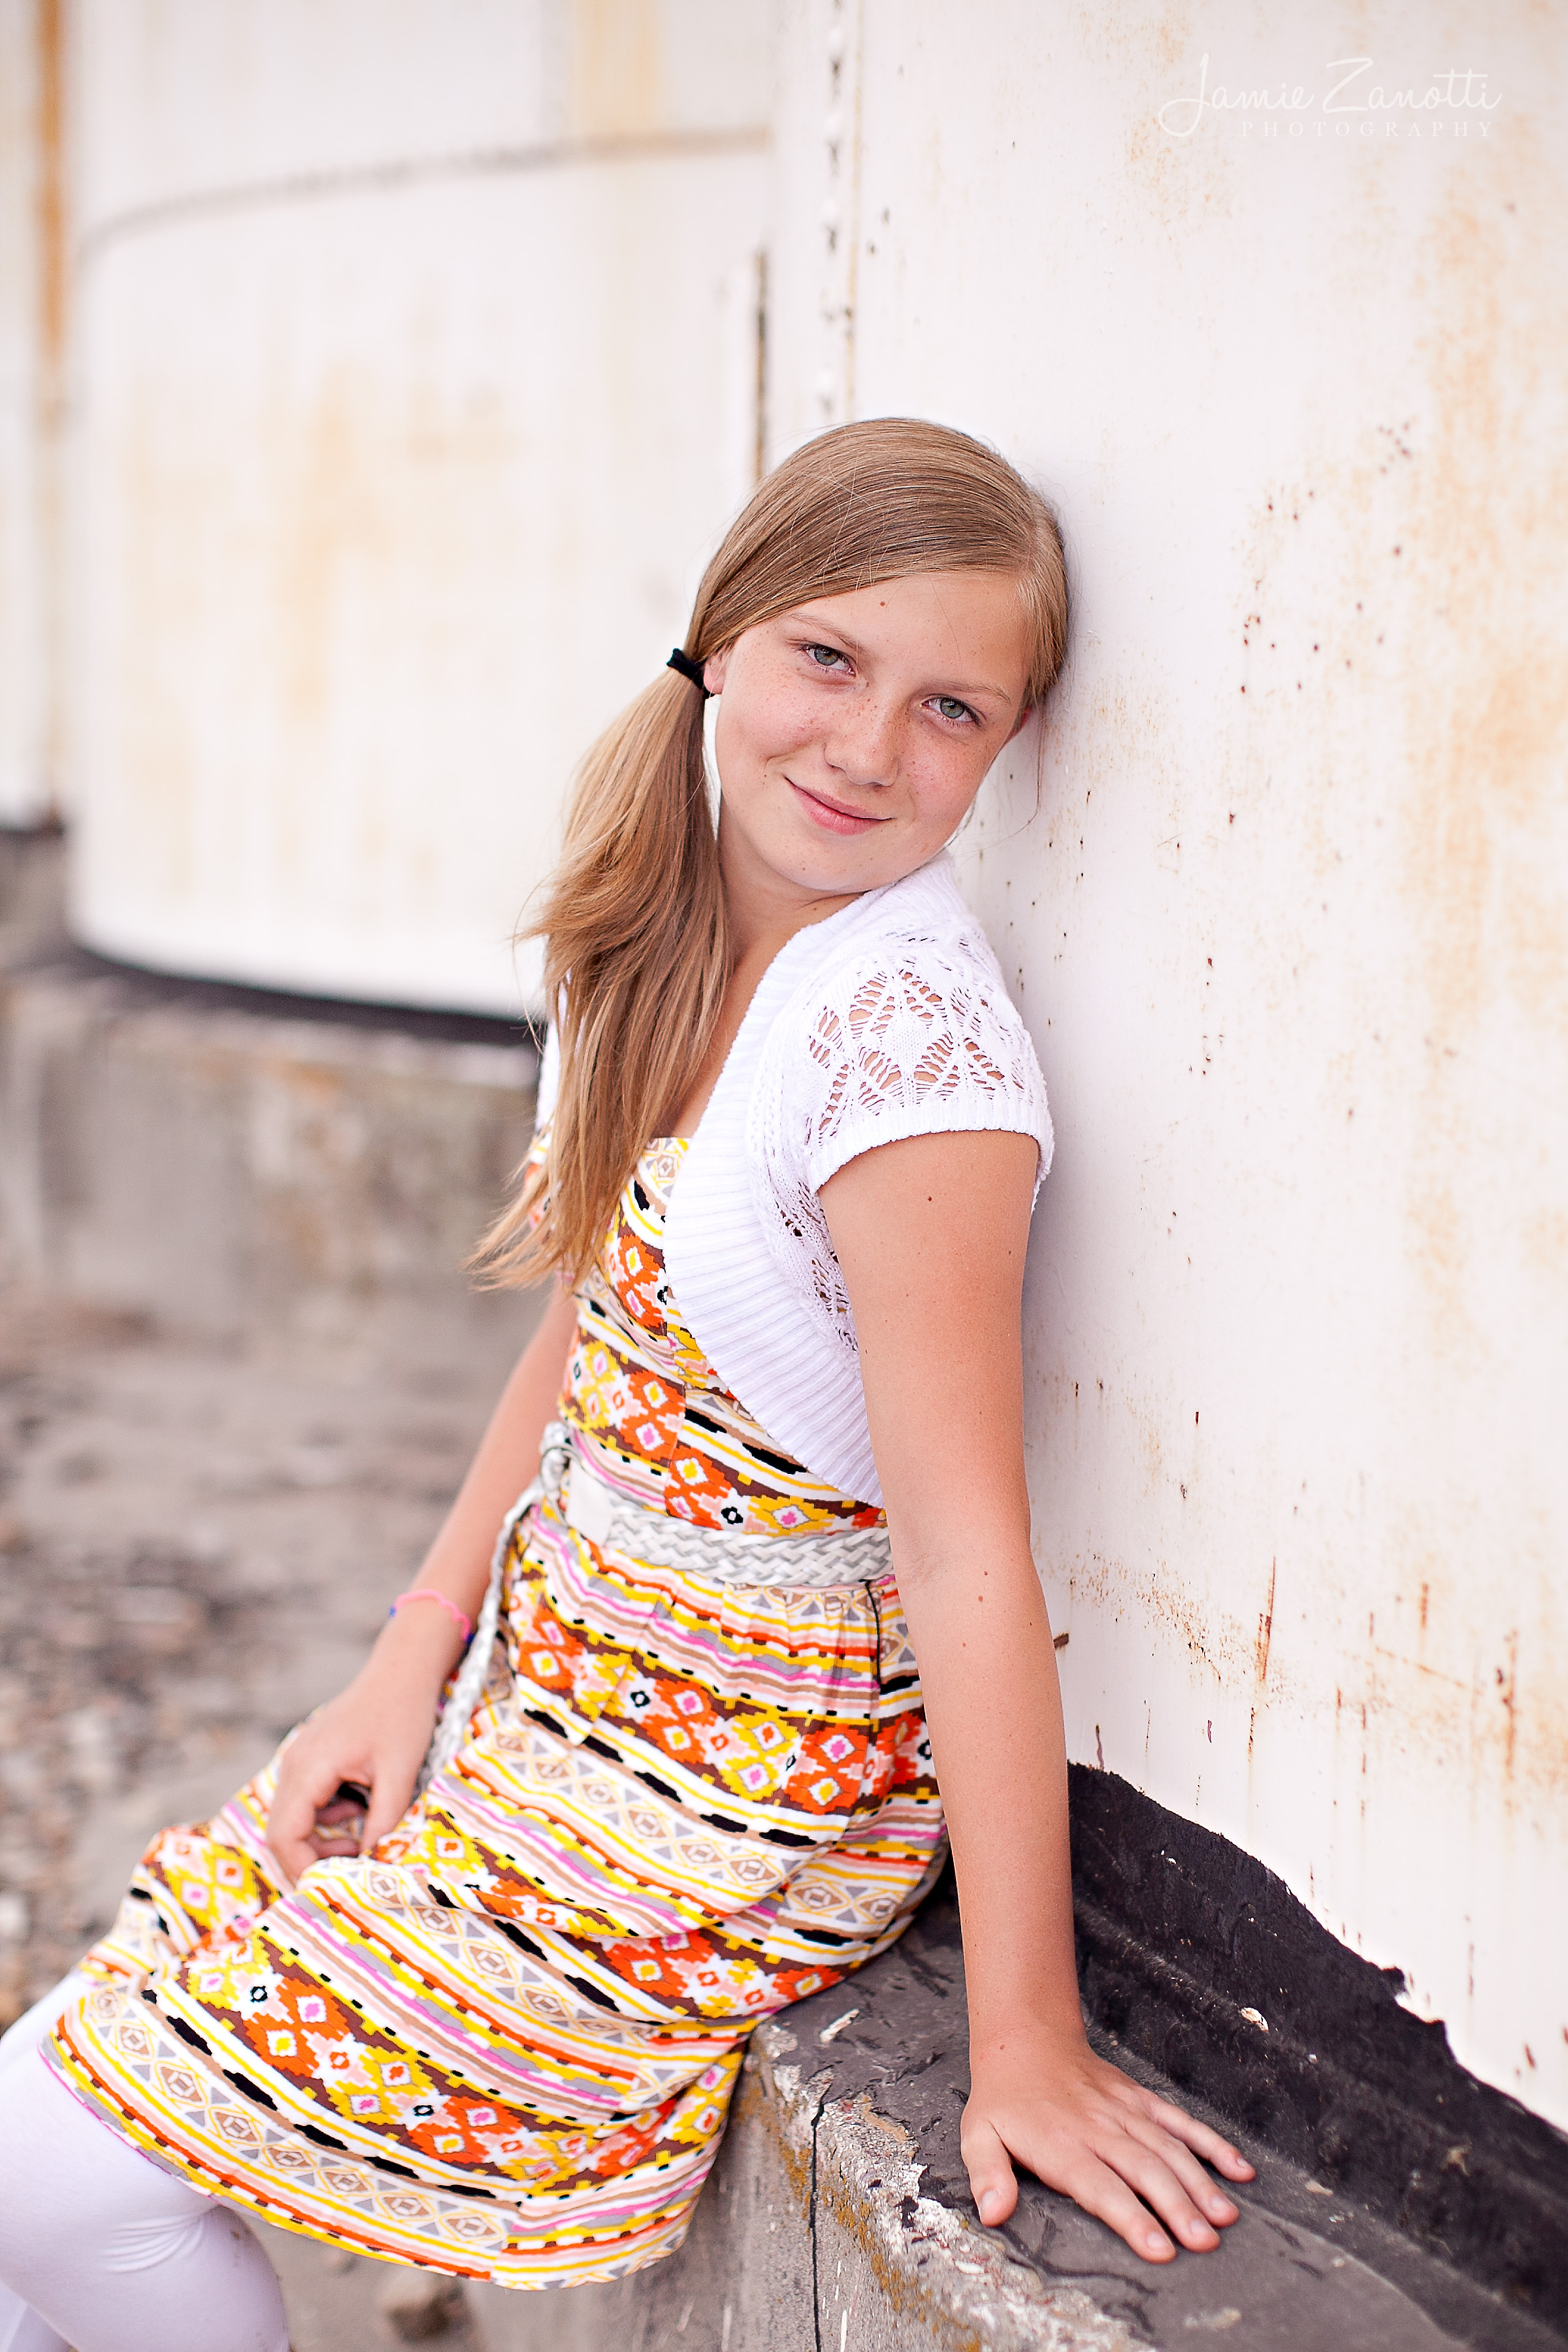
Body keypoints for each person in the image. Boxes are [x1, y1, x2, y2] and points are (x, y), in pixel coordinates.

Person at [0, 419, 1252, 2352]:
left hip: (740, 1786)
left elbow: (968, 1559)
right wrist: (409, 1655)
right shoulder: (652, 936)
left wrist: (1028, 2039)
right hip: (559, 1685)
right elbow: (589, 1341)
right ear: (722, 638)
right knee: (34, 2153)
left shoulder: (907, 1057)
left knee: (56, 2171)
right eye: (828, 659)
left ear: (1009, 748)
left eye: (952, 709)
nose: (867, 747)